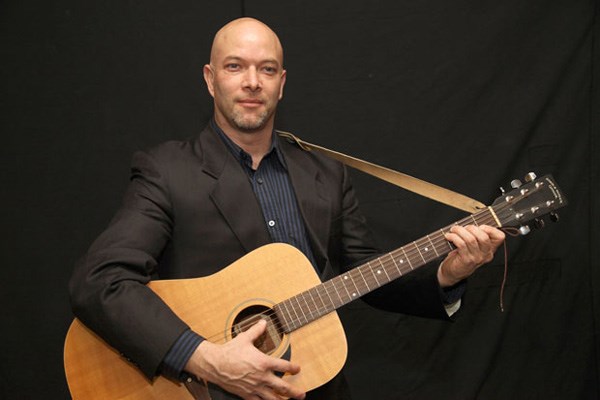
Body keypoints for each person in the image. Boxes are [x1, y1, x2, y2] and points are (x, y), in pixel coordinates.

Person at [69, 17, 505, 400]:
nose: (252, 82)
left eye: (267, 69)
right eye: (235, 66)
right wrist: (202, 359)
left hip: (314, 387)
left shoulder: (326, 175)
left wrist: (448, 274)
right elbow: (100, 281)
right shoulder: (167, 171)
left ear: (282, 81)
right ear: (210, 78)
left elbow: (367, 276)